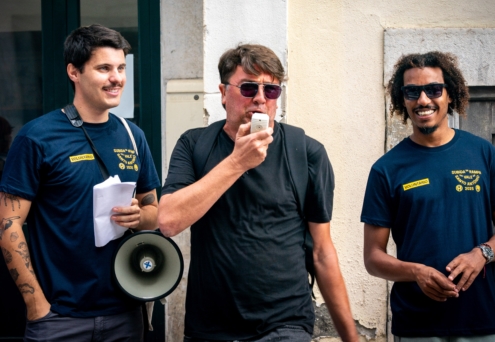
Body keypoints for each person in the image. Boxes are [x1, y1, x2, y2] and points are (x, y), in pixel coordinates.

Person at [158, 44, 358, 342]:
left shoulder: (306, 151)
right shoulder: (195, 144)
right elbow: (169, 221)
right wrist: (237, 162)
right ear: (223, 93)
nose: (261, 98)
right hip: (210, 328)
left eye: (272, 90)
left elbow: (322, 251)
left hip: (284, 326)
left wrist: (351, 338)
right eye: (249, 87)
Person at [0, 24, 160, 341]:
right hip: (58, 319)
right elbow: (8, 223)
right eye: (104, 68)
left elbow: (154, 212)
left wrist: (139, 216)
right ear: (74, 72)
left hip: (125, 313)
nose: (117, 78)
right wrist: (36, 305)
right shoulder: (37, 137)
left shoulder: (133, 136)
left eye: (121, 68)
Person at [361, 51, 495, 341]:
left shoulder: (483, 153)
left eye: (433, 89)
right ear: (402, 99)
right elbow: (372, 258)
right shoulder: (386, 169)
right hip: (417, 324)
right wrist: (417, 272)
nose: (423, 100)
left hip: (482, 319)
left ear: (450, 94)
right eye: (412, 91)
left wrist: (483, 253)